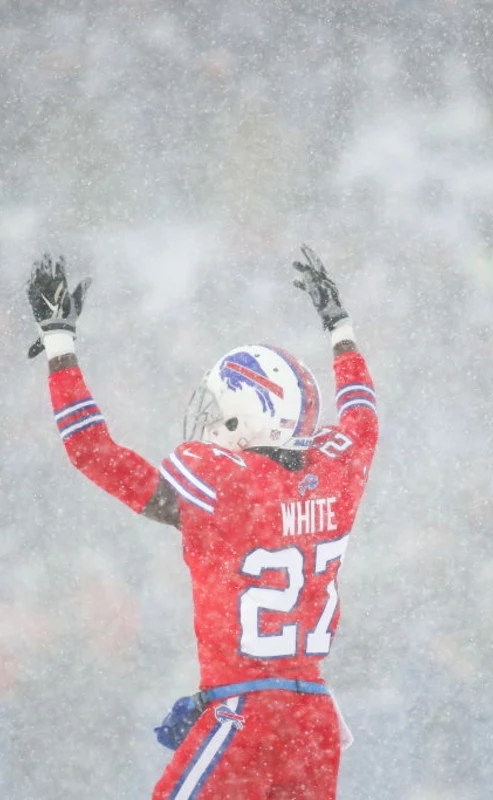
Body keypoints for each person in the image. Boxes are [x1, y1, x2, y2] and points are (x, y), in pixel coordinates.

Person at [26, 246, 378, 799]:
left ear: (249, 416)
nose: (208, 422)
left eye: (219, 410)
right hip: (314, 721)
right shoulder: (336, 470)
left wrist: (59, 346)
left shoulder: (223, 483)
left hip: (245, 712)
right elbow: (361, 409)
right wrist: (339, 326)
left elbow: (91, 451)